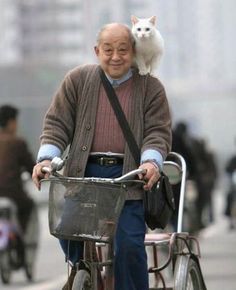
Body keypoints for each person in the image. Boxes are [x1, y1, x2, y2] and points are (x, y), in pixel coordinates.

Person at [32, 23, 172, 290]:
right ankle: (84, 271)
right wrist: (46, 159)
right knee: (67, 232)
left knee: (129, 246)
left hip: (129, 179)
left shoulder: (151, 88)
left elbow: (157, 132)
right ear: (97, 51)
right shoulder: (78, 80)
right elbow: (56, 124)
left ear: (133, 51)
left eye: (122, 50)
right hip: (84, 176)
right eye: (108, 50)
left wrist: (151, 161)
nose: (115, 56)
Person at [0, 105, 35, 234]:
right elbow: (31, 168)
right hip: (11, 192)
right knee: (28, 205)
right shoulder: (18, 143)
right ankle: (18, 237)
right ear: (11, 122)